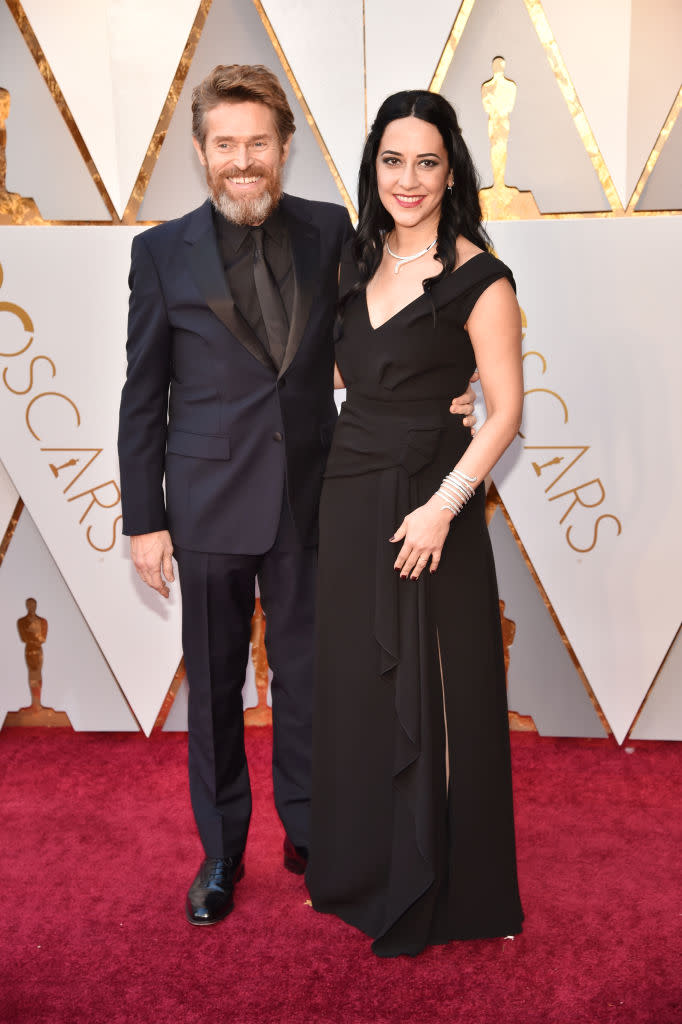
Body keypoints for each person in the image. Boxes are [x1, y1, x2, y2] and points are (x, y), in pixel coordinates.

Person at [117, 65, 476, 928]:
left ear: (284, 148)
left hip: (317, 500)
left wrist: (442, 388)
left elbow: (377, 334)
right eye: (225, 145)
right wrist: (145, 518)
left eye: (259, 144)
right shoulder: (159, 252)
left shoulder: (330, 231)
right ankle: (220, 853)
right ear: (201, 151)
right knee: (213, 689)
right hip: (203, 507)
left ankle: (314, 833)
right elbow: (142, 392)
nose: (244, 161)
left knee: (315, 683)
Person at [307, 90, 524, 958]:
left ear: (451, 170)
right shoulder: (350, 267)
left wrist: (442, 506)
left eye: (426, 162)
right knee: (361, 689)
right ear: (374, 168)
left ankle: (452, 890)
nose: (408, 179)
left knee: (443, 693)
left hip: (436, 506)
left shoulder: (481, 275)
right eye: (392, 161)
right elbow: (338, 375)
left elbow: (506, 411)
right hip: (352, 493)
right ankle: (365, 868)